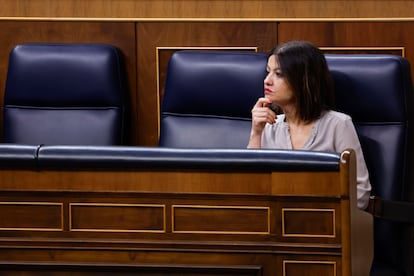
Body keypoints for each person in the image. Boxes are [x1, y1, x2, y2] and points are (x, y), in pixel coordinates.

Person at [247, 40, 371, 210]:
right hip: (278, 225)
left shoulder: (338, 125)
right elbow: (251, 189)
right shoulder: (269, 127)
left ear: (303, 80)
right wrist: (256, 133)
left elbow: (360, 193)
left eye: (279, 74)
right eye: (268, 72)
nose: (267, 81)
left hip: (327, 225)